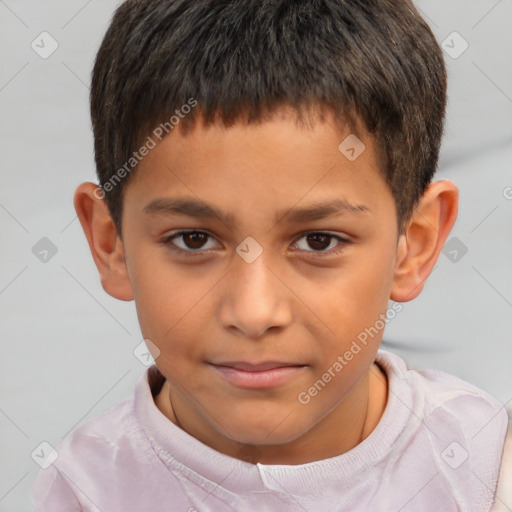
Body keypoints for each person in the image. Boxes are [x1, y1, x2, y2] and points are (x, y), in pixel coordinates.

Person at [32, 0, 510, 510]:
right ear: (112, 245)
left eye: (319, 241)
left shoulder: (487, 470)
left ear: (414, 245)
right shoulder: (85, 489)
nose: (255, 313)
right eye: (193, 239)